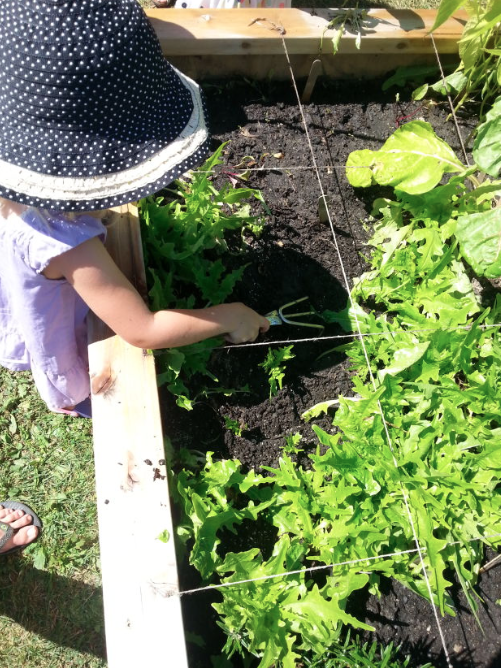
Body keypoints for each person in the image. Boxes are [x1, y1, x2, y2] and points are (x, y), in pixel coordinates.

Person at [0, 0, 269, 417]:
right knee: (83, 385)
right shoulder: (67, 242)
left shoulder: (14, 191)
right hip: (71, 351)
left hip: (23, 298)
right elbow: (142, 329)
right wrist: (230, 316)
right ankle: (69, 398)